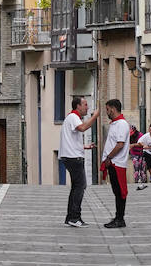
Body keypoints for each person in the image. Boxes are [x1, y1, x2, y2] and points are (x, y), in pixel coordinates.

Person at [60, 96, 99, 228]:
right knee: (80, 186)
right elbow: (82, 128)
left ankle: (70, 217)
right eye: (85, 104)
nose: (87, 107)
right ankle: (75, 217)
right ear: (78, 106)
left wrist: (85, 146)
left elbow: (70, 141)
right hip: (73, 158)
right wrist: (95, 117)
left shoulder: (71, 118)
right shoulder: (74, 117)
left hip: (70, 156)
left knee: (76, 187)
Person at [100, 99, 131, 229]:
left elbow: (120, 144)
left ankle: (120, 219)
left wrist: (109, 158)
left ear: (113, 109)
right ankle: (118, 216)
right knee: (116, 191)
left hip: (116, 163)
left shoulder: (122, 124)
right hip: (113, 163)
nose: (106, 112)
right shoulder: (115, 124)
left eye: (107, 109)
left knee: (119, 192)